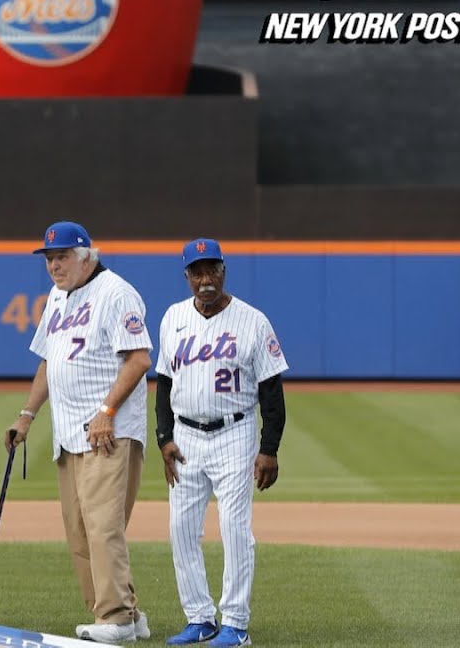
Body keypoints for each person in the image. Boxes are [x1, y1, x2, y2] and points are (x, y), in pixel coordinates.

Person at [6, 221, 153, 645]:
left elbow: (139, 360)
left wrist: (107, 411)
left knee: (104, 526)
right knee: (80, 530)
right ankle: (126, 613)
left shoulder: (116, 293)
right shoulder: (56, 297)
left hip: (108, 432)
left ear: (86, 255)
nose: (54, 265)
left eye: (63, 256)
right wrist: (27, 416)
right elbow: (49, 363)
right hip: (68, 433)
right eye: (50, 258)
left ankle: (116, 619)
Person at [154, 239, 288, 647]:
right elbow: (164, 382)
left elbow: (272, 391)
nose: (205, 279)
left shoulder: (252, 320)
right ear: (187, 277)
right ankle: (199, 618)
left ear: (224, 271)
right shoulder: (173, 317)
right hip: (186, 437)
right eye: (197, 272)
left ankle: (235, 623)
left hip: (235, 433)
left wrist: (269, 448)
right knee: (180, 528)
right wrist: (164, 437)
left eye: (212, 270)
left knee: (234, 528)